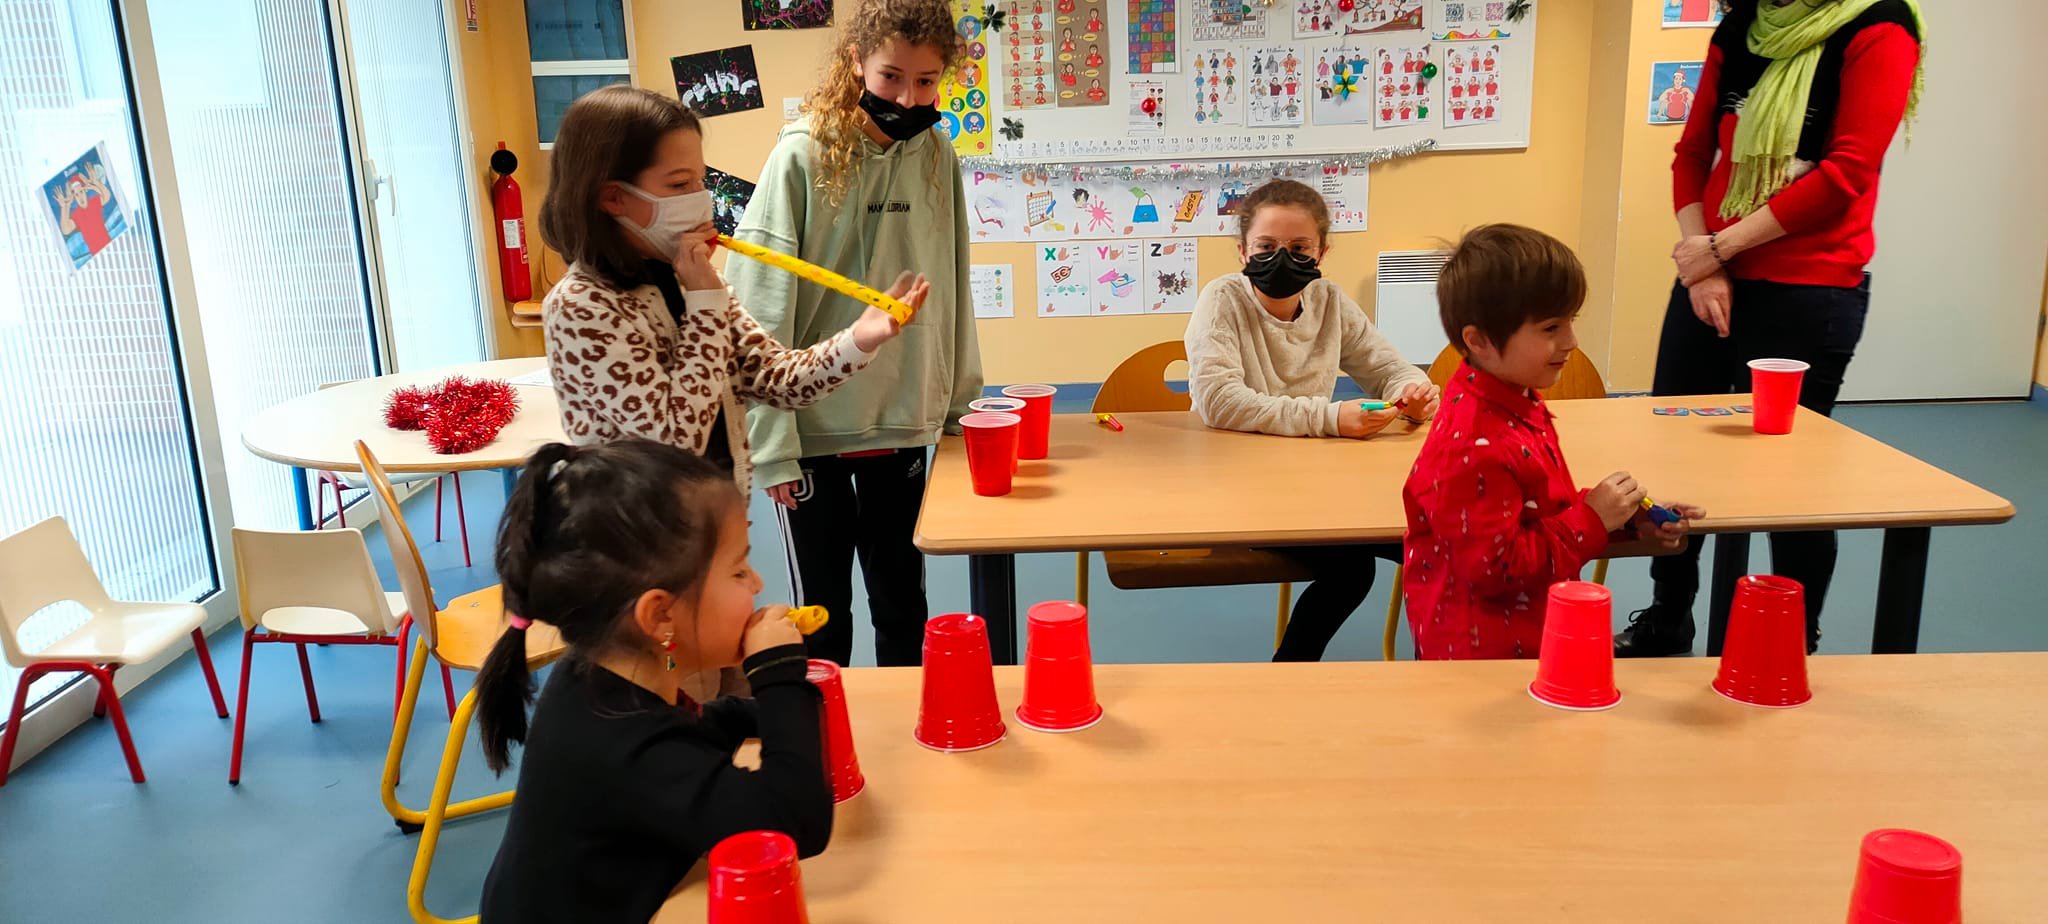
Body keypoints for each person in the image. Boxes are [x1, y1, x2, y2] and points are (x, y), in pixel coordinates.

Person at [1617, 0, 1924, 657]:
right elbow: (1691, 153)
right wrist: (1703, 263)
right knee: (1674, 454)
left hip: (1809, 289)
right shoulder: (1743, 25)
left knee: (1791, 479)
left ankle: (1790, 638)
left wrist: (1719, 249)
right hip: (1710, 275)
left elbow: (1845, 173)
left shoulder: (1879, 27)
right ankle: (1669, 617)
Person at [475, 440, 832, 923]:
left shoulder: (607, 674)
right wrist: (777, 675)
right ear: (660, 615)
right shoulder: (625, 746)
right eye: (738, 570)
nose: (757, 584)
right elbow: (794, 823)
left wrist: (759, 715)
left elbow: (690, 725)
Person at [729, 0, 982, 668]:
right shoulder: (801, 154)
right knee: (822, 617)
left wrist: (958, 410)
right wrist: (771, 446)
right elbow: (758, 306)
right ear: (856, 63)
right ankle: (823, 731)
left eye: (926, 81)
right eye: (891, 76)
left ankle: (908, 725)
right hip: (812, 427)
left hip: (902, 416)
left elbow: (952, 278)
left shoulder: (936, 154)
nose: (908, 97)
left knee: (903, 604)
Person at [1403, 225, 1701, 660]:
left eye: (1570, 321)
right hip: (1486, 660)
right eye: (1550, 327)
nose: (1571, 341)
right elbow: (1497, 569)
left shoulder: (1517, 399)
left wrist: (1625, 518)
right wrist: (1592, 518)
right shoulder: (1475, 443)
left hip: (1532, 635)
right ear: (1479, 341)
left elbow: (1537, 512)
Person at [1185, 179, 1440, 662]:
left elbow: (1387, 367)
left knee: (1433, 543)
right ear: (1242, 251)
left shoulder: (1329, 301)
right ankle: (1287, 674)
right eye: (1266, 247)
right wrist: (1330, 418)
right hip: (1238, 484)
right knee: (1352, 568)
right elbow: (1219, 401)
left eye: (1299, 247)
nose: (1281, 259)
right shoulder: (1222, 300)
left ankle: (1445, 666)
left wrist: (1412, 391)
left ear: (1322, 251)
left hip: (1316, 483)